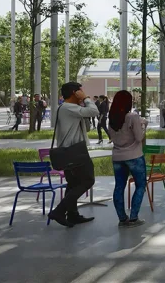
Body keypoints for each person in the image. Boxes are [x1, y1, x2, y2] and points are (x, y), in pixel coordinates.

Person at [48, 82, 99, 228]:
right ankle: (59, 211)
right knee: (88, 180)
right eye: (80, 91)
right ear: (74, 93)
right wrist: (87, 99)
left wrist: (83, 106)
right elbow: (94, 112)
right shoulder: (68, 107)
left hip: (69, 151)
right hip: (74, 152)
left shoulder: (68, 108)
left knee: (73, 184)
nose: (83, 93)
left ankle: (72, 214)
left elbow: (87, 126)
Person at [108, 90, 148, 228]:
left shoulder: (112, 118)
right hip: (134, 156)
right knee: (141, 185)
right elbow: (139, 137)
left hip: (117, 156)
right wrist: (143, 125)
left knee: (119, 187)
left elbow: (113, 138)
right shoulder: (132, 117)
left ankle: (122, 218)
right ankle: (133, 217)